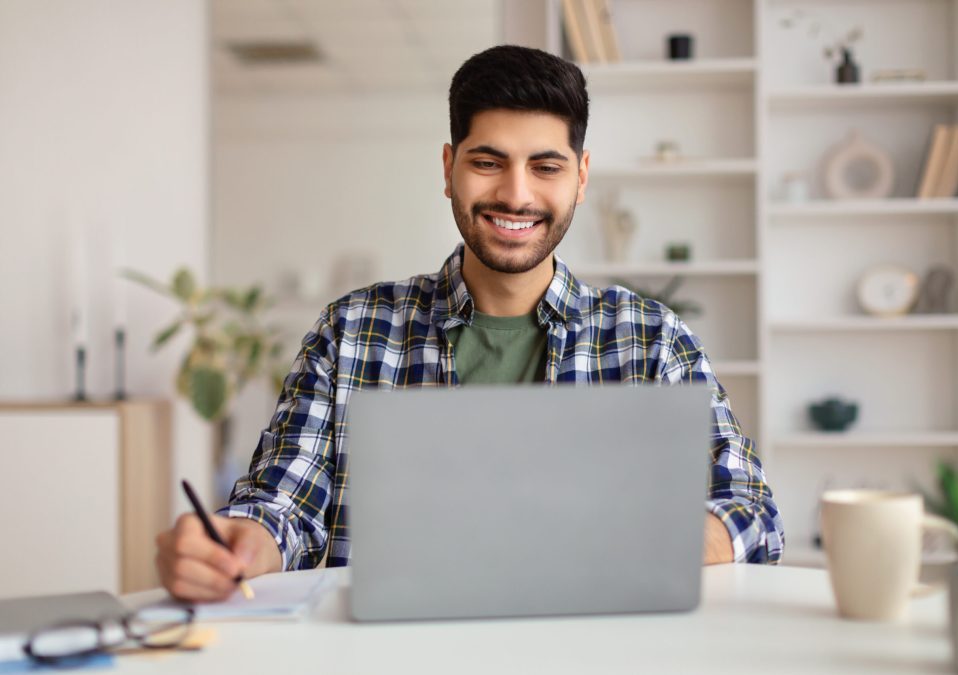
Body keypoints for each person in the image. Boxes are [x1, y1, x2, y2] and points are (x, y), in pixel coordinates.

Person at [156, 45, 784, 602]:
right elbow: (284, 507)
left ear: (581, 177)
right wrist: (236, 545)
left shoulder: (652, 340)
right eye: (489, 162)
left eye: (546, 166)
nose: (517, 194)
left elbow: (752, 513)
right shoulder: (352, 331)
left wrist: (630, 541)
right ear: (449, 167)